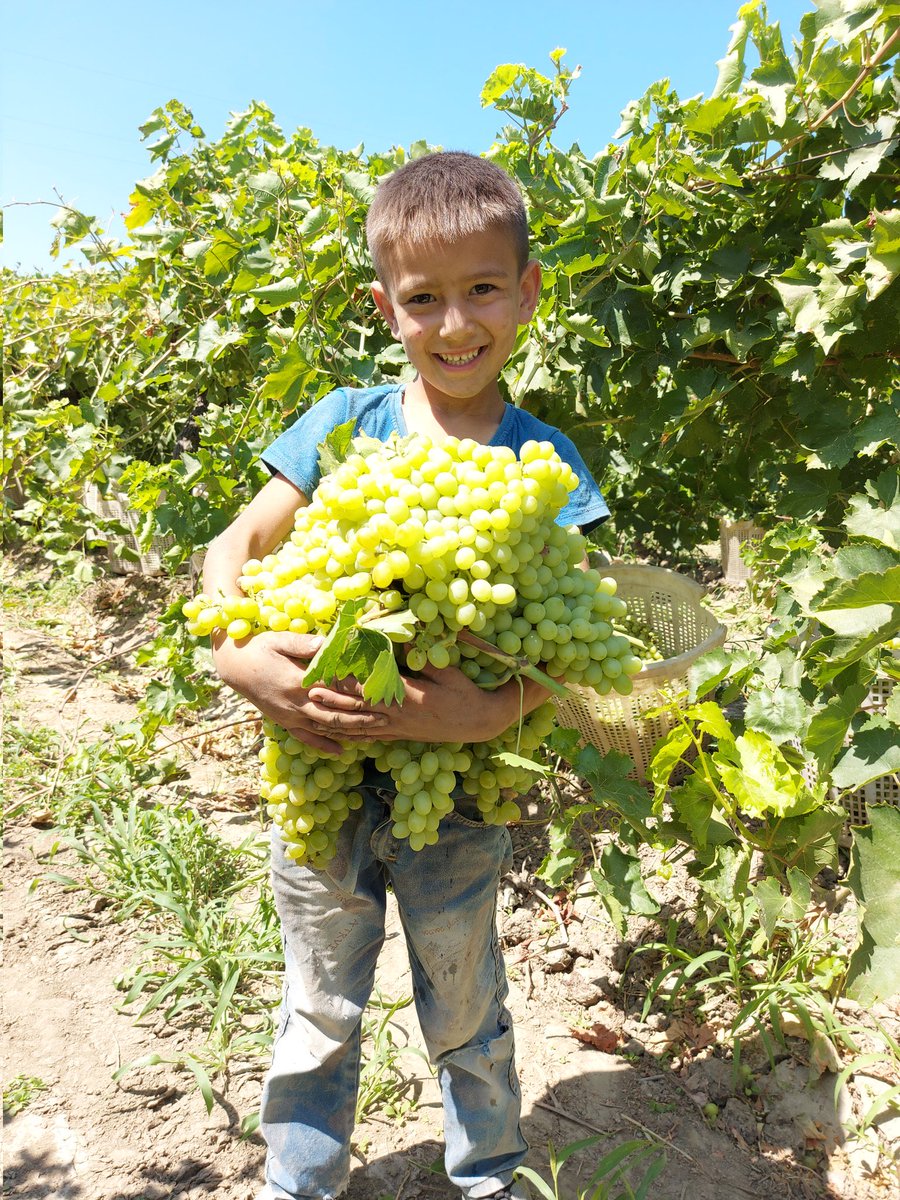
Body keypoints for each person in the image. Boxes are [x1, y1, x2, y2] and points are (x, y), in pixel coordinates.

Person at [203, 150, 609, 1200]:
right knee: (318, 1006)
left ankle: (491, 1174)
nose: (455, 323)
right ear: (386, 308)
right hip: (321, 764)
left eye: (482, 289)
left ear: (526, 293)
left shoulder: (543, 467)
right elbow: (236, 546)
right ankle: (299, 1181)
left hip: (461, 798)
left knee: (466, 1001)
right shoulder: (346, 424)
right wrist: (237, 653)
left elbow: (575, 646)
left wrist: (490, 714)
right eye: (424, 299)